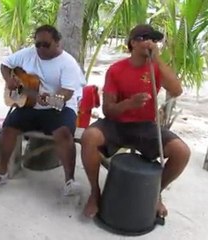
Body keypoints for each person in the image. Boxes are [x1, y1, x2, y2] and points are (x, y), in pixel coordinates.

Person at [80, 24, 191, 218]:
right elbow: (108, 110)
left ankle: (155, 193)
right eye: (146, 38)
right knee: (89, 137)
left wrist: (157, 59)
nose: (152, 43)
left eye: (154, 40)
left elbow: (177, 91)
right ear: (133, 43)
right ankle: (95, 193)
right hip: (117, 124)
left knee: (182, 152)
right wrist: (129, 104)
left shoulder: (156, 68)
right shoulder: (116, 70)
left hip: (146, 126)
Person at [0, 25, 85, 196]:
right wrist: (9, 81)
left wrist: (50, 100)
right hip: (30, 105)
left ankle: (69, 181)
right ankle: (0, 174)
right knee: (8, 128)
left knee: (64, 134)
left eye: (46, 44)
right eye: (38, 44)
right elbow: (5, 64)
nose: (41, 49)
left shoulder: (68, 63)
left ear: (58, 43)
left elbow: (66, 94)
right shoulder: (28, 53)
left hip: (60, 107)